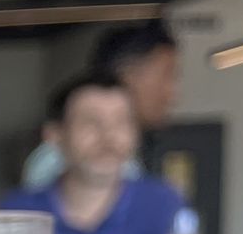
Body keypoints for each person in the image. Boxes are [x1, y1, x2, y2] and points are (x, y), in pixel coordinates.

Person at [0, 73, 195, 234]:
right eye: (91, 123)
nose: (109, 137)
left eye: (121, 123)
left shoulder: (161, 202)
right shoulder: (20, 210)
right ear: (55, 135)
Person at [22, 20, 180, 190]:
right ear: (129, 74)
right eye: (167, 75)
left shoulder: (127, 155)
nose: (173, 94)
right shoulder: (60, 156)